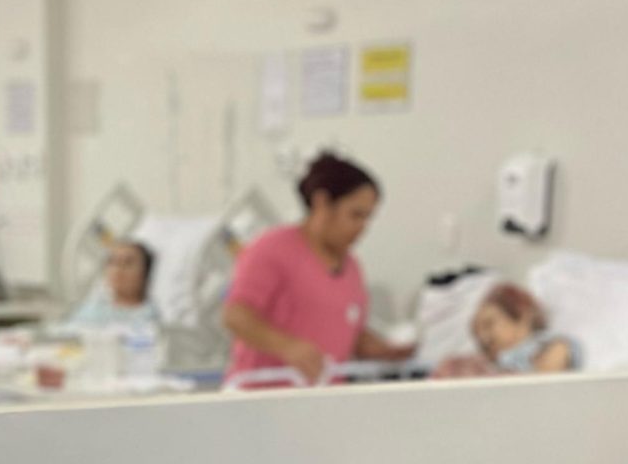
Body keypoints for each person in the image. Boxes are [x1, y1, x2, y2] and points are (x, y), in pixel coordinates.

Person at [222, 151, 413, 384]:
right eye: (355, 215)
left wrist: (385, 351)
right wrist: (287, 346)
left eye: (368, 218)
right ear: (322, 202)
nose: (363, 227)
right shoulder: (272, 249)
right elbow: (236, 315)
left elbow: (346, 332)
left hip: (321, 400)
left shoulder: (351, 268)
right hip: (264, 398)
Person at [436, 281, 579, 378]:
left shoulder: (552, 345)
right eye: (476, 334)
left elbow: (543, 385)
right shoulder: (482, 361)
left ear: (523, 314)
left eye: (489, 324)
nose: (483, 338)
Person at [60, 238, 159, 333]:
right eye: (113, 262)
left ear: (145, 273)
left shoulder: (148, 320)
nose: (118, 269)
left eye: (128, 263)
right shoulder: (91, 310)